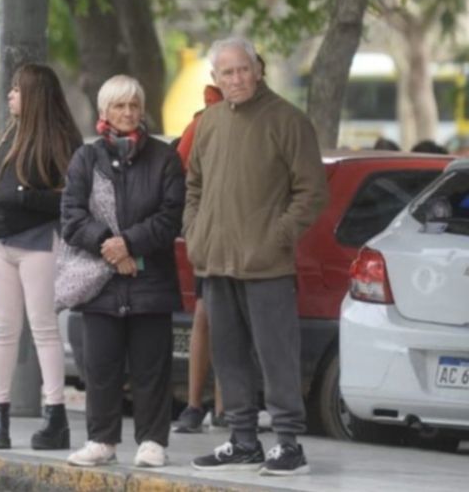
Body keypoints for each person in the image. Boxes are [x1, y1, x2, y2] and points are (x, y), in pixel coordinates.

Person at [185, 37, 328, 477]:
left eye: (242, 70)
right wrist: (195, 233)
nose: (235, 79)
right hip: (216, 261)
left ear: (258, 69)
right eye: (226, 73)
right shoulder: (208, 123)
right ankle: (242, 440)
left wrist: (278, 237)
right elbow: (193, 187)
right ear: (215, 79)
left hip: (266, 264)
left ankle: (288, 445)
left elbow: (312, 191)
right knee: (227, 355)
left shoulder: (288, 120)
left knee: (276, 355)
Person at [61, 75, 184, 469]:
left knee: (152, 367)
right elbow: (71, 217)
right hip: (100, 286)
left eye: (134, 104)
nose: (128, 112)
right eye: (119, 106)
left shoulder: (165, 158)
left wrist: (128, 243)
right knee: (100, 368)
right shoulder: (86, 158)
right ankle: (101, 440)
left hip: (150, 283)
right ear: (104, 112)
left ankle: (152, 441)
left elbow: (170, 218)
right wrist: (111, 248)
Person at [0, 63, 82, 451]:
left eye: (18, 90)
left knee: (42, 328)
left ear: (34, 95)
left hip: (37, 241)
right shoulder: (9, 132)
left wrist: (21, 196)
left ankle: (55, 414)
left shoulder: (60, 139)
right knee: (3, 330)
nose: (10, 95)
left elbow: (69, 197)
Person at [172, 83, 225, 434]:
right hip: (211, 238)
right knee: (207, 317)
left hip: (245, 239)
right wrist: (194, 227)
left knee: (228, 321)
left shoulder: (266, 120)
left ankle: (225, 408)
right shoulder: (204, 122)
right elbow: (180, 175)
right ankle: (196, 405)